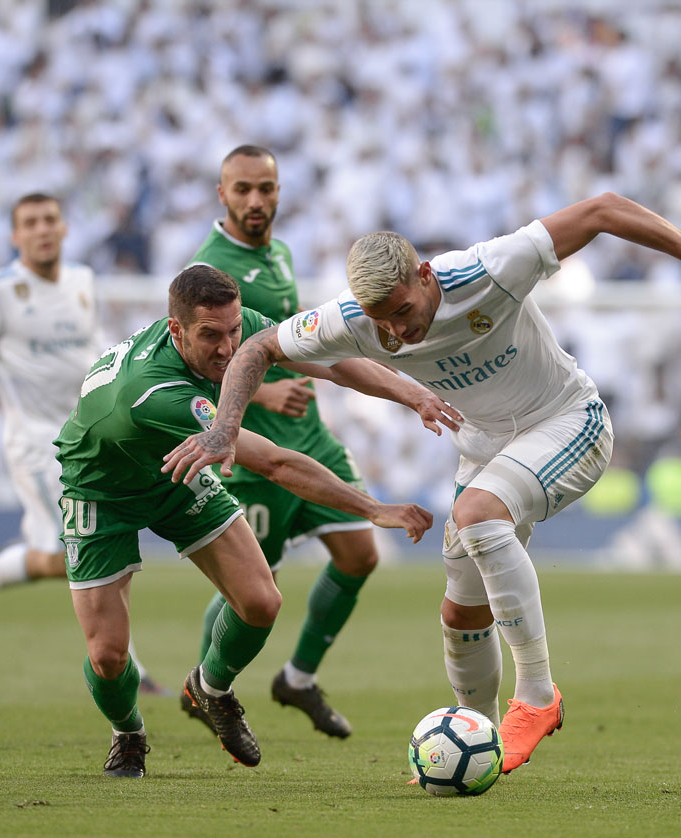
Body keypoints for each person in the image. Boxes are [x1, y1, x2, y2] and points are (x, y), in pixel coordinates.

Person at [164, 191, 681, 774]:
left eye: (404, 311)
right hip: (485, 446)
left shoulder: (489, 270)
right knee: (462, 610)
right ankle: (476, 740)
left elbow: (602, 209)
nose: (398, 332)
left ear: (426, 275)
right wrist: (224, 429)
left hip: (567, 421)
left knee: (478, 514)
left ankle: (538, 695)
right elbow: (257, 350)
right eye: (383, 323)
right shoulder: (353, 319)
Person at [55, 263, 447, 777]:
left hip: (178, 467)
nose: (228, 347)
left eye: (234, 331)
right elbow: (275, 462)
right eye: (210, 336)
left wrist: (411, 392)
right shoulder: (155, 393)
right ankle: (128, 733)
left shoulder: (233, 323)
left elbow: (328, 358)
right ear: (176, 330)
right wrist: (373, 508)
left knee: (261, 602)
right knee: (108, 655)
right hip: (101, 490)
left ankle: (211, 688)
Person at [0, 192, 167, 694]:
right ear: (15, 236)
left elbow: (91, 346)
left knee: (54, 554)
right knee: (81, 544)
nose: (41, 229)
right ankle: (131, 668)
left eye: (50, 220)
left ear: (63, 229)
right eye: (30, 223)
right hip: (37, 442)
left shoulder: (82, 281)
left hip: (88, 432)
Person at [182, 144, 383, 738]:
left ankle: (296, 679)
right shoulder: (209, 267)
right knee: (251, 586)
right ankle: (209, 687)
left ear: (278, 192)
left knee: (360, 554)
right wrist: (264, 394)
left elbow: (288, 335)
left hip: (310, 437)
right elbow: (194, 361)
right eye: (241, 189)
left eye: (265, 188)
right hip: (253, 450)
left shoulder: (280, 255)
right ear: (222, 194)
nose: (254, 200)